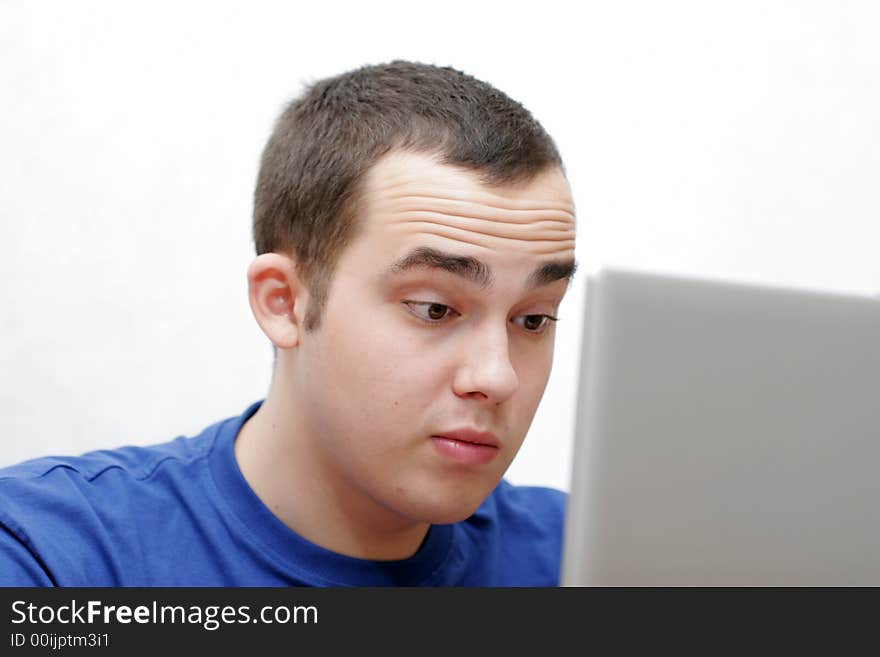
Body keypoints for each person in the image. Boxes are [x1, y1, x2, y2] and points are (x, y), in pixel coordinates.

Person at [0, 60, 577, 586]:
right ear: (283, 302)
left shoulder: (585, 560)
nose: (497, 377)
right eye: (434, 309)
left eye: (533, 319)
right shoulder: (52, 557)